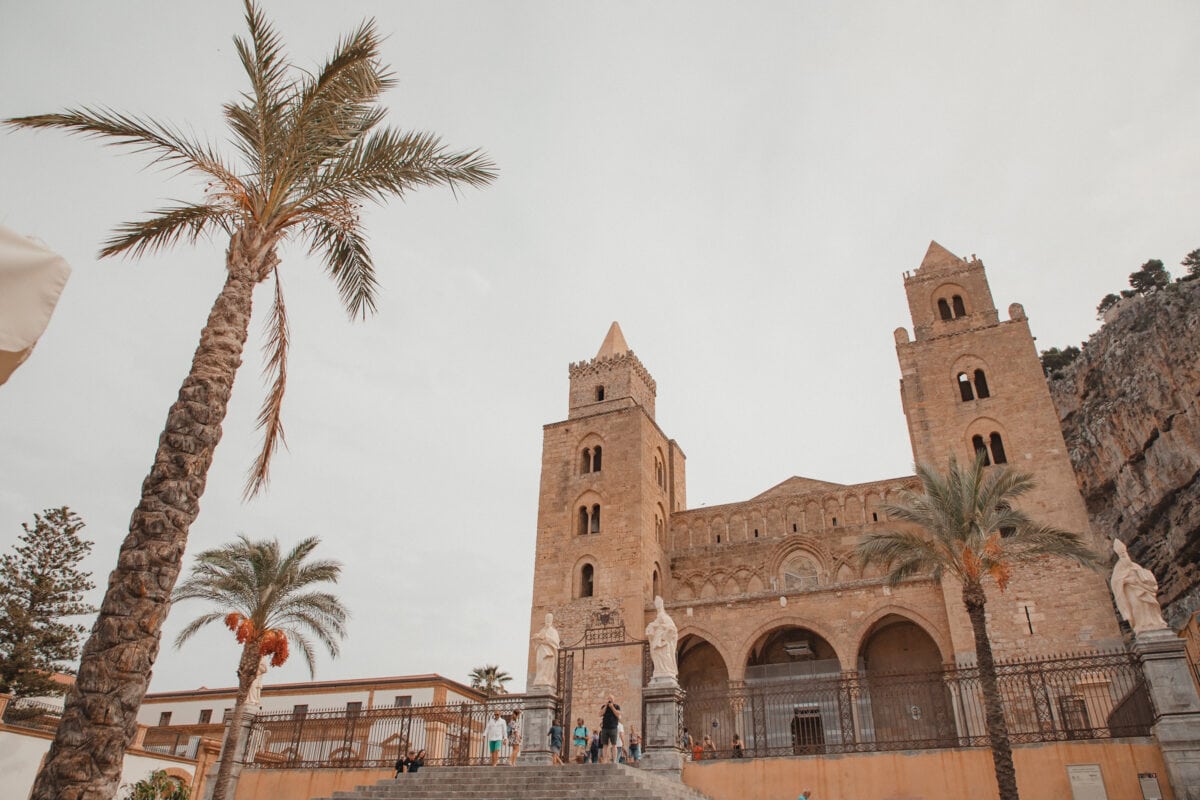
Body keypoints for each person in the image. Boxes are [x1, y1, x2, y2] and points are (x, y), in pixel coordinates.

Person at [599, 694, 621, 763]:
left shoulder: (616, 706)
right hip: (605, 728)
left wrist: (612, 707)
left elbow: (618, 714)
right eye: (608, 698)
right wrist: (606, 706)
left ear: (613, 700)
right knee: (605, 745)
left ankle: (614, 760)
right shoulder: (603, 706)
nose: (610, 700)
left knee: (614, 745)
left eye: (611, 698)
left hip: (613, 728)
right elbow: (600, 714)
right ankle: (605, 760)